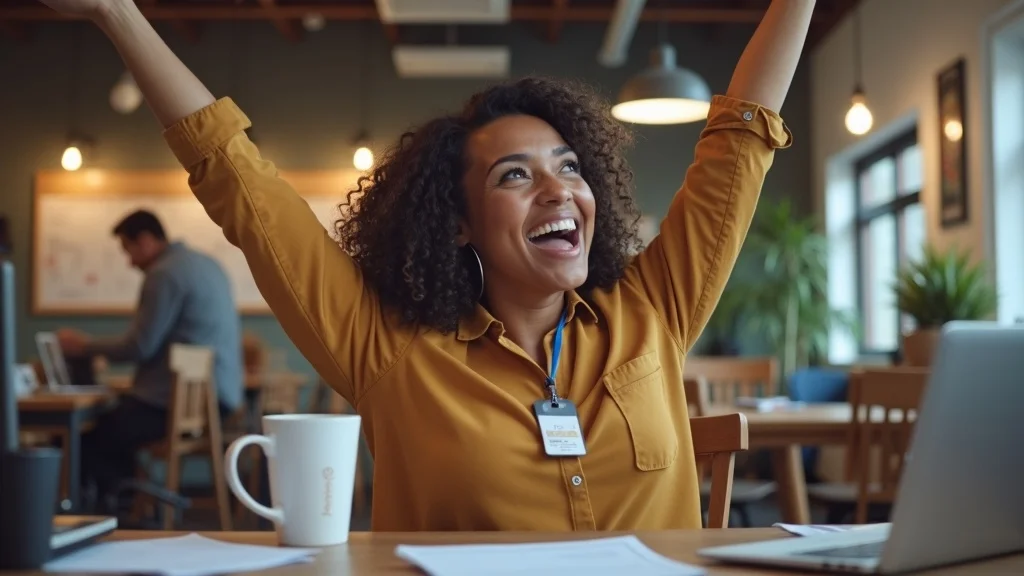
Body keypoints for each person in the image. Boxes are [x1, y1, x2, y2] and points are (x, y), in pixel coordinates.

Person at [39, 0, 813, 531]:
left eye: (569, 166)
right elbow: (240, 184)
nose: (558, 190)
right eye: (515, 175)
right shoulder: (388, 352)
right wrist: (118, 12)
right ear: (458, 226)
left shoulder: (655, 310)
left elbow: (738, 148)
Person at [56, 209, 243, 503]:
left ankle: (112, 513)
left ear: (144, 240)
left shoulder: (164, 273)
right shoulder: (207, 264)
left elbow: (139, 347)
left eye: (128, 250)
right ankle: (136, 507)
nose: (130, 262)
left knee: (88, 438)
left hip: (170, 405)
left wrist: (84, 346)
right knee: (112, 429)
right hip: (217, 399)